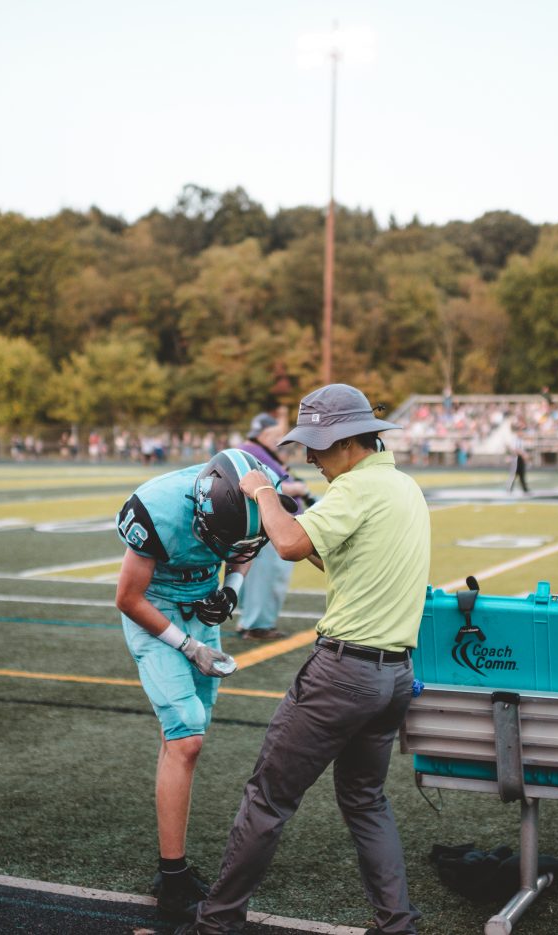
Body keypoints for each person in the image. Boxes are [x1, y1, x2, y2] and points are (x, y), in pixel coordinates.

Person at [178, 383, 432, 935]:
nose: (311, 457)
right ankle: (397, 926)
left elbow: (292, 546)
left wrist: (264, 493)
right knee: (366, 801)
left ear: (345, 440)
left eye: (316, 446)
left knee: (267, 800)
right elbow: (339, 563)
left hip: (343, 674)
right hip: (394, 677)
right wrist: (287, 520)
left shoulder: (354, 491)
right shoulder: (404, 488)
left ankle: (215, 923)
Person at [114, 448, 287, 921]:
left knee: (189, 735)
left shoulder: (258, 494)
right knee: (187, 735)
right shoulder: (158, 507)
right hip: (157, 608)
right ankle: (171, 874)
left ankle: (172, 862)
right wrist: (187, 645)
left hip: (203, 602)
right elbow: (127, 597)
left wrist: (230, 590)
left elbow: (247, 550)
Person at [234, 411, 311, 641]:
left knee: (256, 576)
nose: (279, 440)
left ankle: (250, 621)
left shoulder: (250, 450)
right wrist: (297, 489)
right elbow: (261, 485)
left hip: (261, 523)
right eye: (276, 434)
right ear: (266, 434)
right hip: (269, 523)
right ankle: (258, 625)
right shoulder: (254, 452)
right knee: (268, 576)